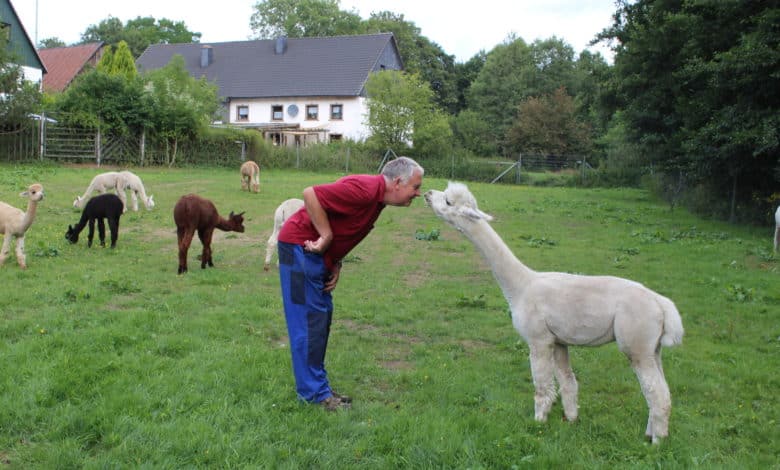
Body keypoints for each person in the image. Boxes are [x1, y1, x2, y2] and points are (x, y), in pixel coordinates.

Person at [277, 156, 424, 411]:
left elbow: (345, 225)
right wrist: (326, 235)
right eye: (415, 187)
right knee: (308, 323)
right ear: (398, 182)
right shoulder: (365, 189)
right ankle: (313, 395)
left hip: (316, 255)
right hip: (299, 249)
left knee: (320, 320)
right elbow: (311, 194)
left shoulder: (377, 200)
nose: (418, 193)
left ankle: (318, 388)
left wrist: (336, 261)